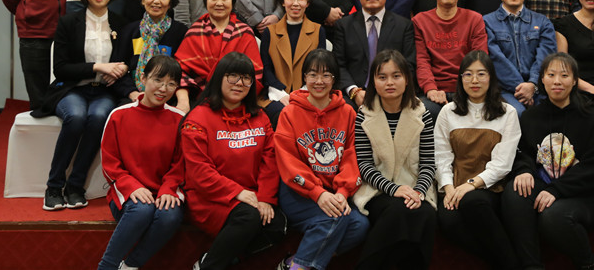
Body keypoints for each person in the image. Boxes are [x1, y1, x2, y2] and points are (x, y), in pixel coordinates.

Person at [502, 53, 594, 270]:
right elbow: (523, 152)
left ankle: (587, 264)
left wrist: (557, 190)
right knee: (515, 193)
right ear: (542, 79)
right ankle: (531, 266)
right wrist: (524, 170)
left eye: (564, 75)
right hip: (544, 183)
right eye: (551, 75)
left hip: (582, 193)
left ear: (575, 80)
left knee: (553, 216)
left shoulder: (593, 117)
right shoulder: (531, 117)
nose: (557, 81)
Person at [32, 0, 128, 211]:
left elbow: (127, 58)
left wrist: (123, 67)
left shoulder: (120, 22)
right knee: (75, 117)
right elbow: (61, 68)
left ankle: (75, 186)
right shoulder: (68, 22)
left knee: (98, 117)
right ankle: (54, 187)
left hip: (104, 91)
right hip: (72, 89)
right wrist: (98, 66)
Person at [181, 52, 287, 270]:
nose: (239, 83)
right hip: (210, 198)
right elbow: (199, 172)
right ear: (219, 77)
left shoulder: (260, 117)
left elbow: (270, 161)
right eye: (233, 76)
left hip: (251, 196)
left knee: (277, 225)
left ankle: (213, 260)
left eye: (246, 78)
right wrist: (238, 192)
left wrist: (266, 198)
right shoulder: (198, 118)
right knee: (249, 218)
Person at [274, 49, 368, 270]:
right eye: (313, 74)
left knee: (360, 225)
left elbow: (352, 156)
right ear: (304, 77)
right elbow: (288, 162)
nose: (319, 81)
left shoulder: (348, 112)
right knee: (335, 218)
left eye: (326, 75)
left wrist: (343, 192)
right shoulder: (289, 113)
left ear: (334, 79)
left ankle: (294, 263)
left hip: (334, 189)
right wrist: (317, 193)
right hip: (298, 191)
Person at [435, 50, 521, 269]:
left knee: (473, 202)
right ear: (460, 78)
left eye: (481, 74)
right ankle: (508, 262)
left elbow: (503, 163)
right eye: (468, 74)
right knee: (448, 222)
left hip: (490, 186)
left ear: (491, 77)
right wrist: (448, 188)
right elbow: (441, 156)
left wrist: (471, 185)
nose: (474, 80)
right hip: (453, 185)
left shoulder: (508, 113)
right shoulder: (447, 112)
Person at [97, 55, 185, 270]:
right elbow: (110, 163)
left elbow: (180, 164)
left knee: (169, 216)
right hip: (128, 192)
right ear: (143, 79)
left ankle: (130, 266)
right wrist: (132, 186)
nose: (163, 88)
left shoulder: (178, 119)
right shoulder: (119, 115)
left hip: (164, 191)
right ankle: (107, 266)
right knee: (142, 210)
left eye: (171, 84)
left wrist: (168, 188)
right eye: (158, 80)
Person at [353, 50, 436, 270]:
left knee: (425, 213)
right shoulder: (364, 114)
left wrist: (418, 192)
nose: (390, 82)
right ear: (373, 82)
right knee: (398, 211)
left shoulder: (422, 113)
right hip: (377, 189)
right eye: (382, 77)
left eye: (396, 76)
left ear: (407, 79)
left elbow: (428, 163)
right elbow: (364, 165)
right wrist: (394, 189)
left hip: (415, 186)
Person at [174, 0, 263, 110]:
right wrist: (183, 102)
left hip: (238, 99)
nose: (219, 3)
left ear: (233, 2)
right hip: (200, 99)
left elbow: (255, 74)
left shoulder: (244, 32)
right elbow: (179, 72)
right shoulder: (194, 32)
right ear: (206, 1)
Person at [412, 0, 488, 119]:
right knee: (425, 112)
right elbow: (422, 61)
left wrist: (468, 89)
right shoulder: (420, 21)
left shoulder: (474, 19)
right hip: (434, 90)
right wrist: (431, 89)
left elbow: (479, 59)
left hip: (468, 88)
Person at [334, 0, 416, 109]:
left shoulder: (404, 25)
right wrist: (354, 91)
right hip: (355, 94)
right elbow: (338, 65)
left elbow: (409, 65)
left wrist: (390, 90)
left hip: (393, 93)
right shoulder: (343, 25)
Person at [484, 0, 557, 116]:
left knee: (552, 111)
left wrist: (532, 85)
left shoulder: (542, 22)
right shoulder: (486, 22)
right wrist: (521, 88)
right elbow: (496, 59)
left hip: (539, 87)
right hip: (503, 89)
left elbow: (546, 57)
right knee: (518, 113)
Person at [113, 0, 189, 111]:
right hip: (133, 96)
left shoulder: (180, 32)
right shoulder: (129, 31)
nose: (156, 1)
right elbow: (118, 70)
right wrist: (133, 93)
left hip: (169, 97)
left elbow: (184, 71)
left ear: (170, 3)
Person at [260, 0, 326, 127]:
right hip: (276, 94)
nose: (296, 3)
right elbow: (266, 68)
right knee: (281, 113)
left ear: (307, 3)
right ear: (283, 1)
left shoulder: (318, 31)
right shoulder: (270, 32)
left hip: (310, 93)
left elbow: (320, 68)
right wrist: (281, 94)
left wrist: (301, 94)